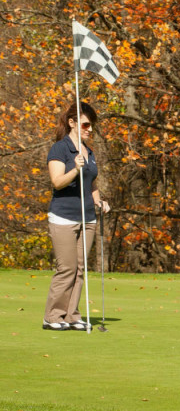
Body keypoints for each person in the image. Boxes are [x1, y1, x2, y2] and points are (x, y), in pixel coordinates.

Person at [43, 102, 110, 331]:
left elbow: (91, 184)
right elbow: (57, 182)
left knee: (80, 269)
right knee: (67, 268)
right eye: (85, 124)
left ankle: (72, 316)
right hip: (63, 217)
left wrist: (99, 201)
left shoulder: (88, 152)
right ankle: (52, 316)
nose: (90, 129)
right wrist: (74, 168)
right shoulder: (59, 149)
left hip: (87, 218)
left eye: (92, 125)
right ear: (72, 123)